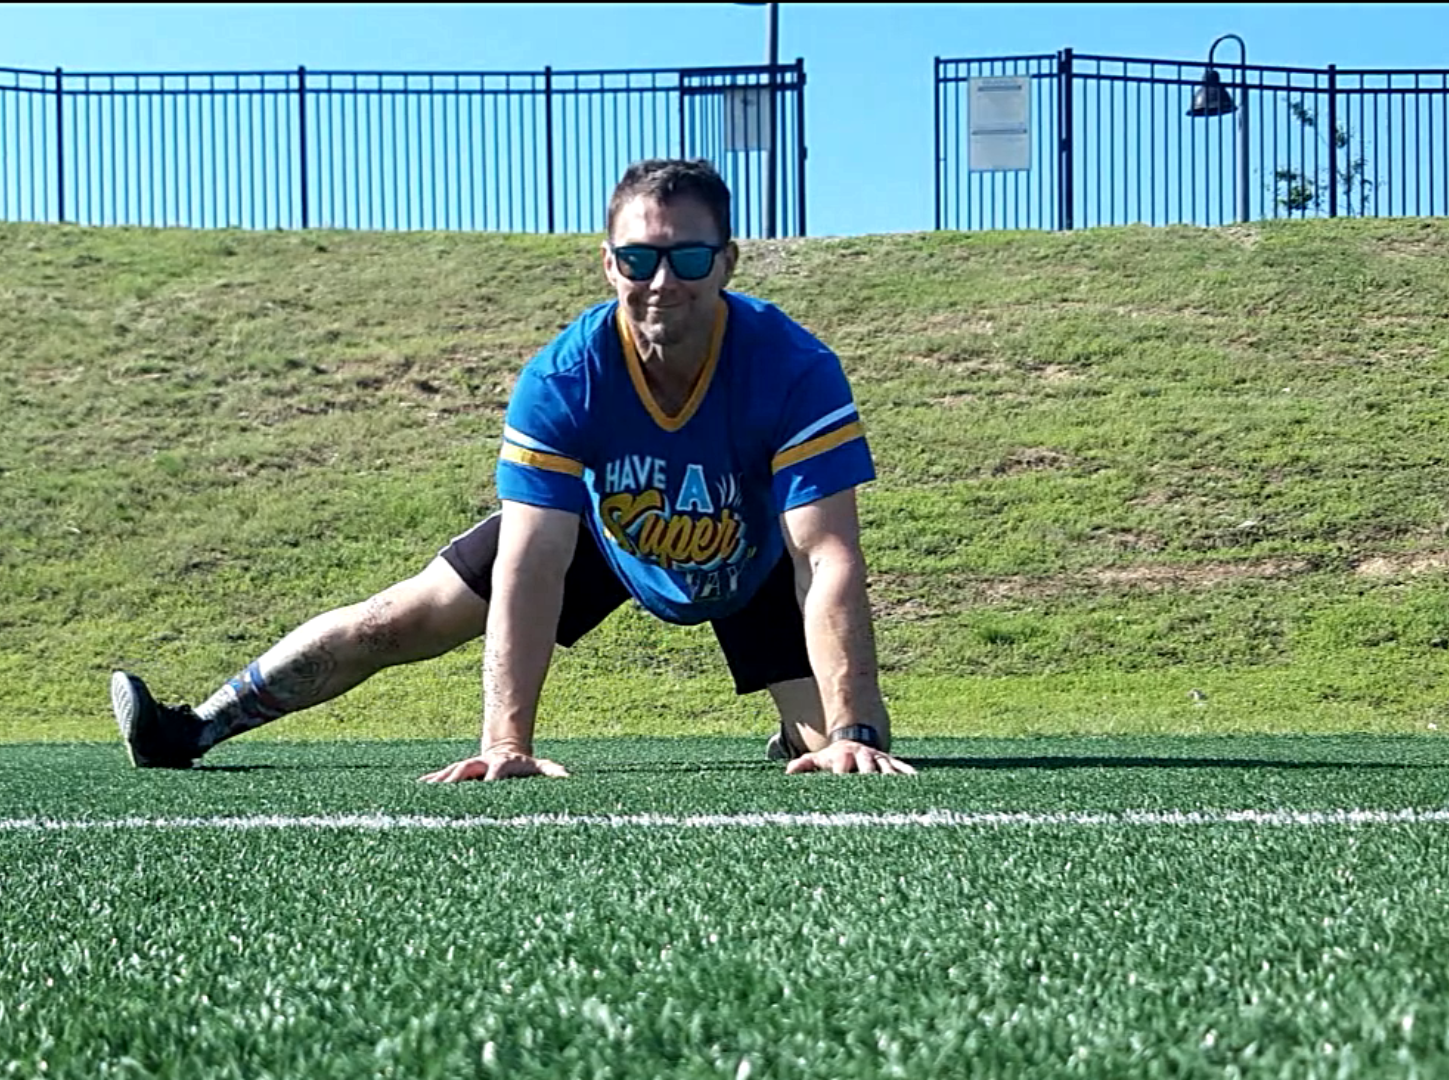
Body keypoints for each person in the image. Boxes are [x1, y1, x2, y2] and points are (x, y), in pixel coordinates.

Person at [110, 157, 918, 782]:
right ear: (609, 265)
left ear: (728, 262)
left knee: (839, 748)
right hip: (603, 528)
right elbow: (532, 565)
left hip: (753, 548)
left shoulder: (795, 368)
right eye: (639, 258)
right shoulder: (564, 377)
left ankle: (799, 727)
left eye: (689, 257)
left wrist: (851, 730)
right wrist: (506, 742)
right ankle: (193, 726)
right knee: (398, 618)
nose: (662, 281)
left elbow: (825, 556)